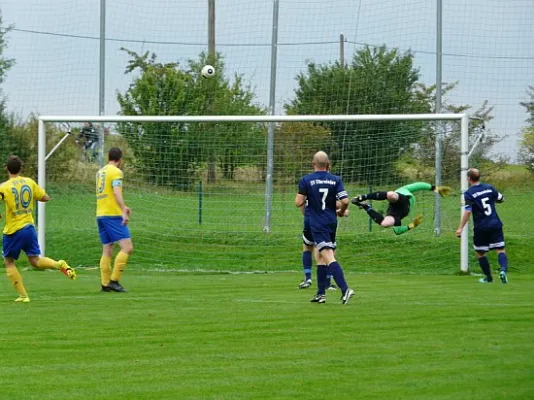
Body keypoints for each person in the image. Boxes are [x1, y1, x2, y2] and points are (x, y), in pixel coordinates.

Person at [0, 156, 76, 302]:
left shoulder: (4, 187)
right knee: (35, 260)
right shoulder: (29, 182)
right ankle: (58, 264)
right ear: (21, 168)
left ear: (6, 169)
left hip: (13, 230)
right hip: (29, 227)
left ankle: (23, 296)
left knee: (9, 261)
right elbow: (45, 197)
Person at [295, 151, 354, 304]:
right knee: (321, 258)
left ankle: (345, 288)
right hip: (331, 222)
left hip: (317, 223)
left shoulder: (306, 180)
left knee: (327, 256)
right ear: (328, 165)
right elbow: (345, 201)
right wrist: (340, 211)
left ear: (313, 164)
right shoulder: (336, 180)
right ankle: (321, 294)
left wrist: (307, 200)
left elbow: (298, 202)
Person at [456, 168, 508, 284]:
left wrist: (460, 228)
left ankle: (489, 278)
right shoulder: (489, 187)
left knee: (480, 252)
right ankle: (503, 271)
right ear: (479, 177)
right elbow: (501, 199)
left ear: (469, 178)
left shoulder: (469, 193)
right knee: (500, 250)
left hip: (481, 227)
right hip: (495, 224)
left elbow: (468, 211)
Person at [96, 147, 133, 292]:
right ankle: (114, 280)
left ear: (108, 157)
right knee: (127, 247)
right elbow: (116, 191)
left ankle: (105, 284)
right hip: (112, 214)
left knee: (107, 249)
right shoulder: (116, 172)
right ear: (120, 159)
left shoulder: (100, 172)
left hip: (100, 213)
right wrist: (123, 208)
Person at [351, 182, 451, 235]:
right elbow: (397, 231)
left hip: (405, 201)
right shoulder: (393, 199)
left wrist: (434, 188)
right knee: (385, 223)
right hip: (396, 211)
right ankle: (364, 204)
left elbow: (417, 185)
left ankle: (362, 200)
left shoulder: (402, 190)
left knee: (392, 195)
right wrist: (411, 225)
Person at [297, 201, 336, 291]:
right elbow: (340, 202)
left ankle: (308, 278)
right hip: (327, 221)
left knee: (307, 247)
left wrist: (306, 214)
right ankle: (327, 282)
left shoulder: (307, 187)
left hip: (310, 219)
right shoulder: (333, 186)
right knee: (328, 251)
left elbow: (300, 202)